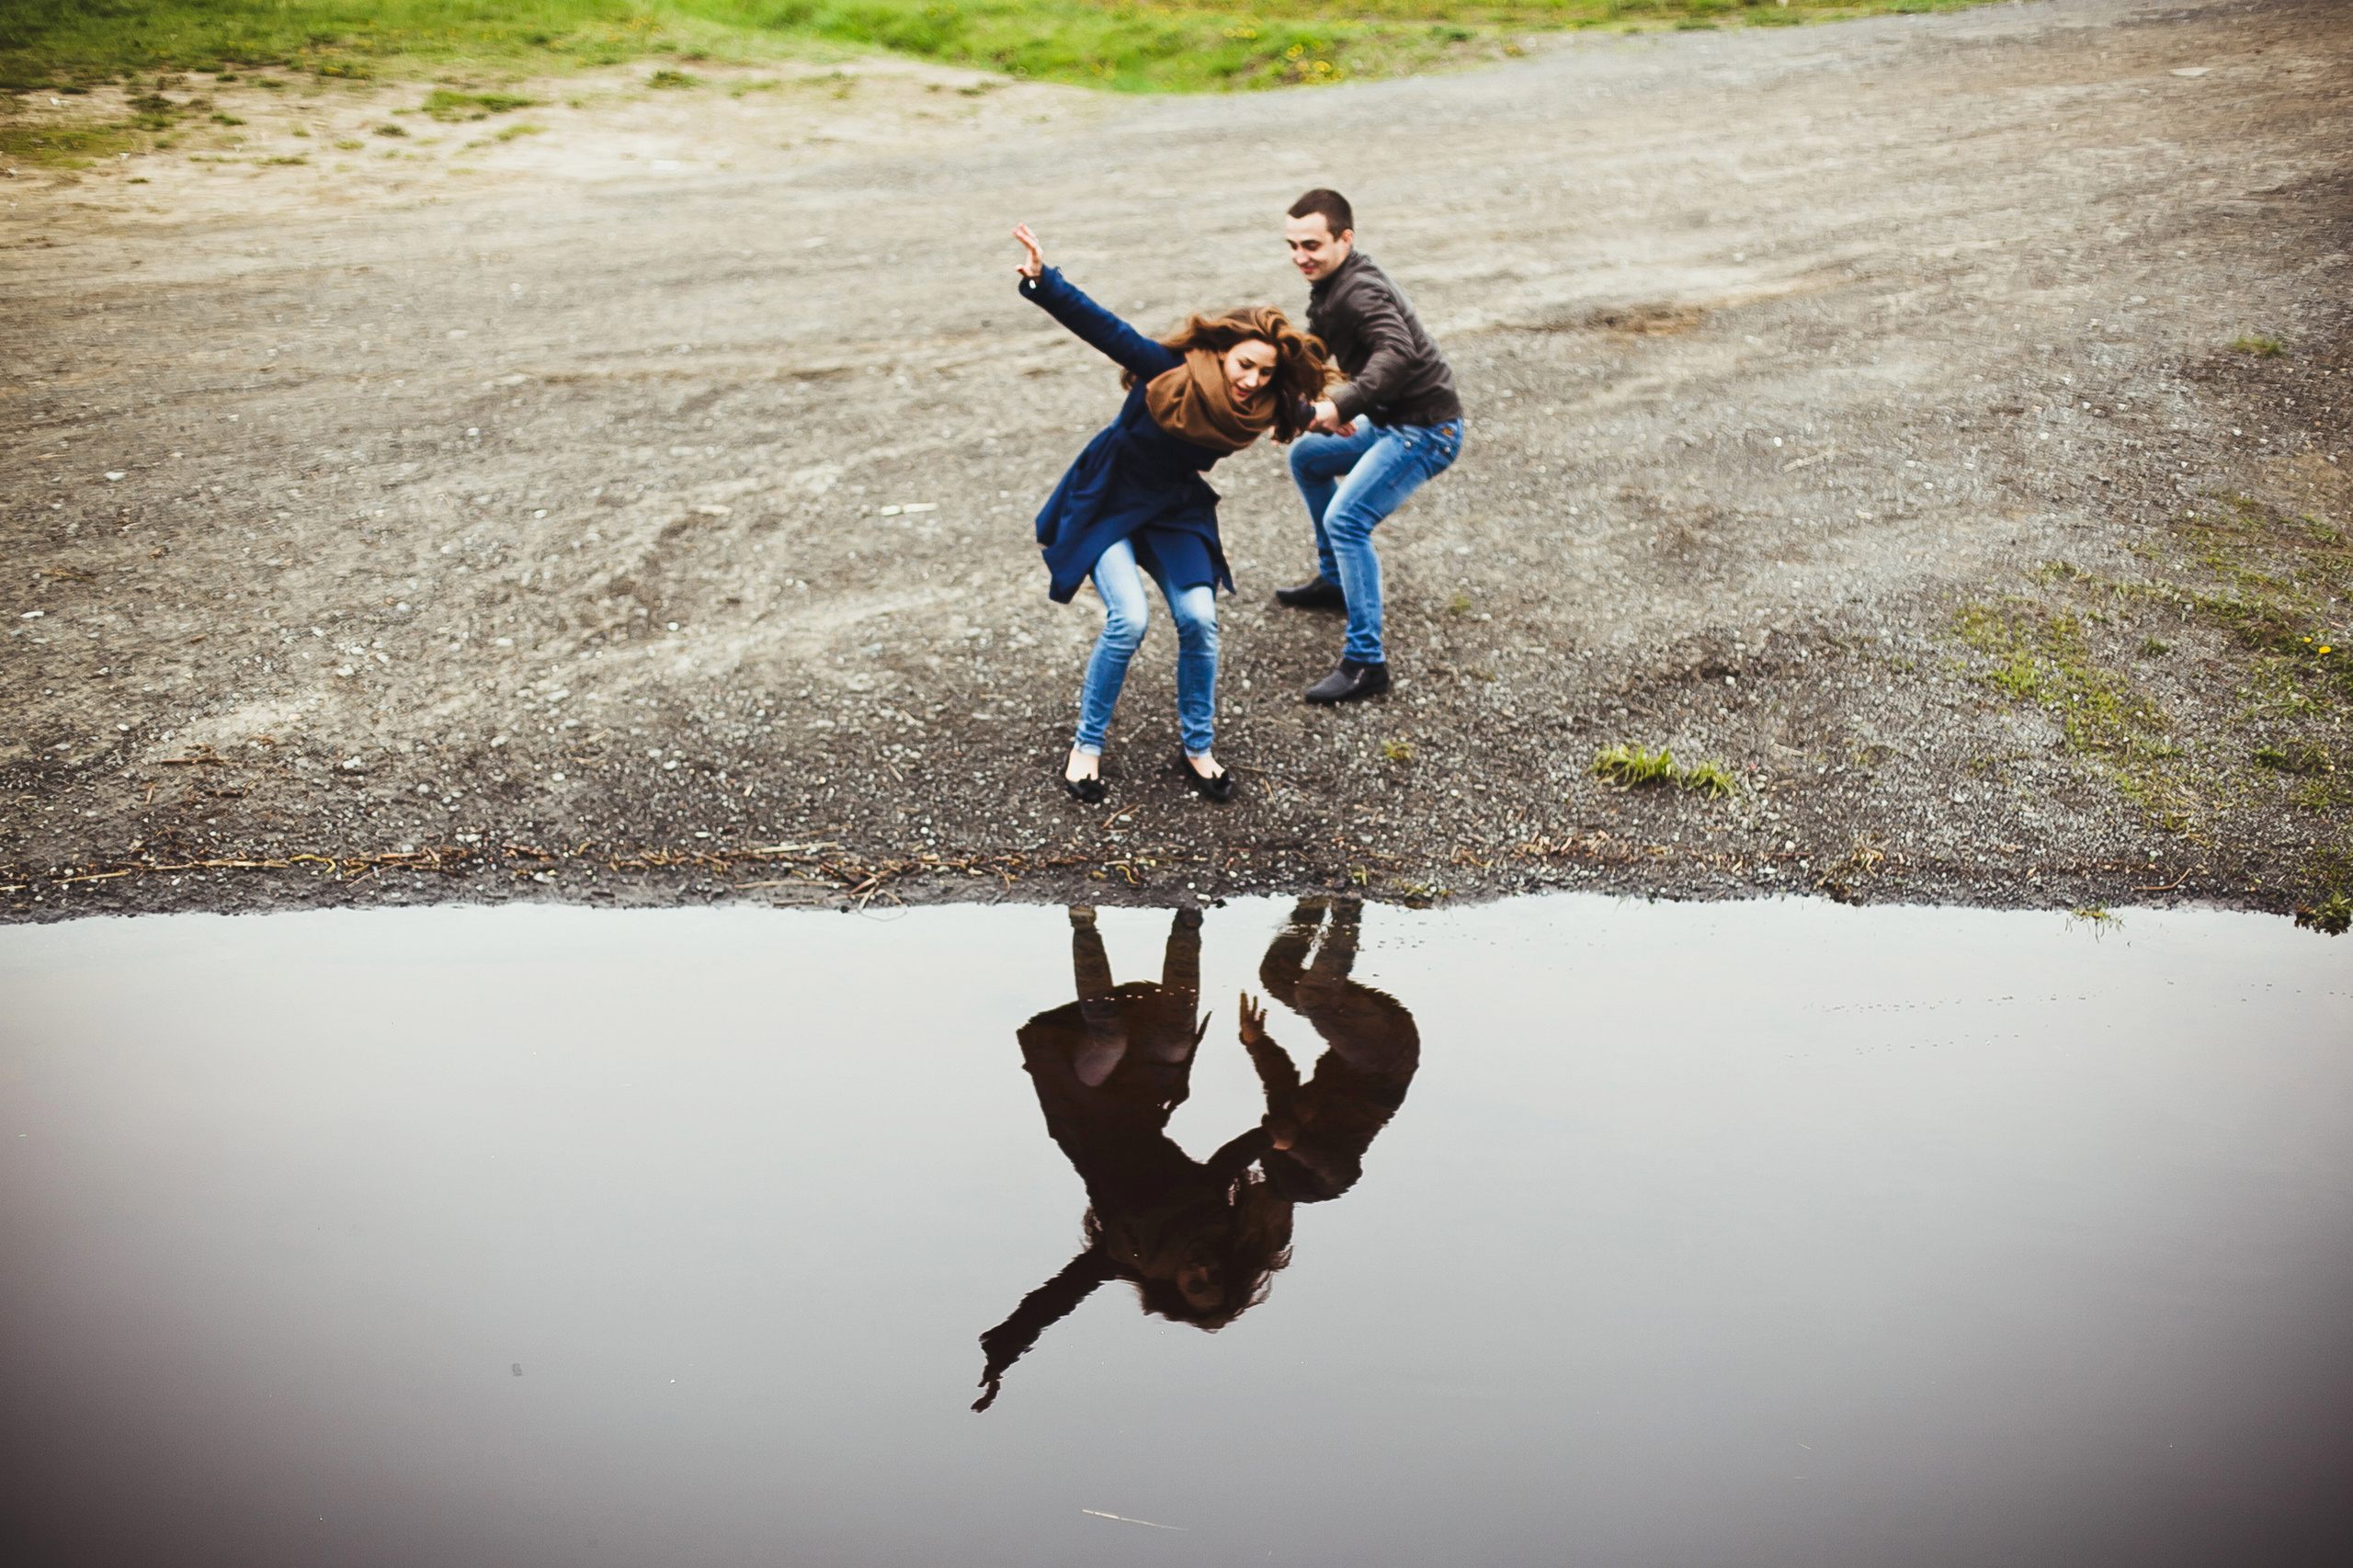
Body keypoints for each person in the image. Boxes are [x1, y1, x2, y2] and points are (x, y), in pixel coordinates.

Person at [1012, 223, 1332, 803]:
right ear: (1223, 350)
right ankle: (1086, 748)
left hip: (1174, 506)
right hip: (1110, 496)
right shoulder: (1168, 369)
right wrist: (1044, 280)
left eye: (1264, 373)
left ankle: (1198, 747)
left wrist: (1333, 415)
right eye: (1245, 366)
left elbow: (1299, 405)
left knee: (1199, 620)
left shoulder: (1264, 400)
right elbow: (1103, 326)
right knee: (1128, 620)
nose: (1251, 381)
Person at [972, 906, 1292, 1413]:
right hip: (1140, 1106)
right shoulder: (1212, 1216)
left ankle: (1083, 918)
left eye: (1195, 1284)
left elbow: (1059, 1297)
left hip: (1084, 1111)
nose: (1203, 1269)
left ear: (1176, 1286)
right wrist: (1268, 1136)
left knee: (1112, 1038)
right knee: (1175, 1037)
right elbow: (1225, 1164)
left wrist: (1005, 1352)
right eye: (1216, 1277)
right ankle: (1189, 918)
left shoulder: (1127, 1252)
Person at [1277, 189, 1465, 704]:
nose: (1300, 257)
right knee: (1308, 458)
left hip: (1425, 431)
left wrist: (1341, 407)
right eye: (1292, 245)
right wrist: (1316, 401)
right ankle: (1336, 580)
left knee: (1347, 519)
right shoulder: (1332, 283)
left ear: (1345, 238)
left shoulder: (1359, 290)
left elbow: (1396, 351)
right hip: (1388, 421)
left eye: (1311, 244)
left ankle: (1366, 663)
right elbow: (1316, 351)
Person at [1243, 896, 1422, 1204]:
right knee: (1316, 997)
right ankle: (1347, 904)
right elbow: (1343, 1174)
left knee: (1275, 975)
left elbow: (1280, 1082)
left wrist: (1256, 1043)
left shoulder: (1272, 1153)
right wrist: (1295, 1145)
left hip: (1356, 1047)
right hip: (1385, 1058)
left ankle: (1312, 901)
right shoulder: (1304, 1188)